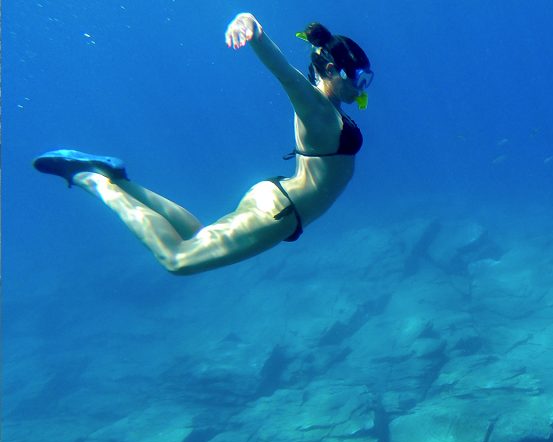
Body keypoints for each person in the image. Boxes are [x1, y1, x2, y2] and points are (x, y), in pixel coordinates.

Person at [33, 13, 373, 275]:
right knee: (177, 260)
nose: (362, 89)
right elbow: (285, 73)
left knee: (197, 235)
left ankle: (120, 178)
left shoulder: (330, 109)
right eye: (359, 79)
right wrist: (250, 25)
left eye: (366, 81)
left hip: (280, 199)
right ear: (331, 69)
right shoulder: (316, 107)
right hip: (281, 212)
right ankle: (90, 179)